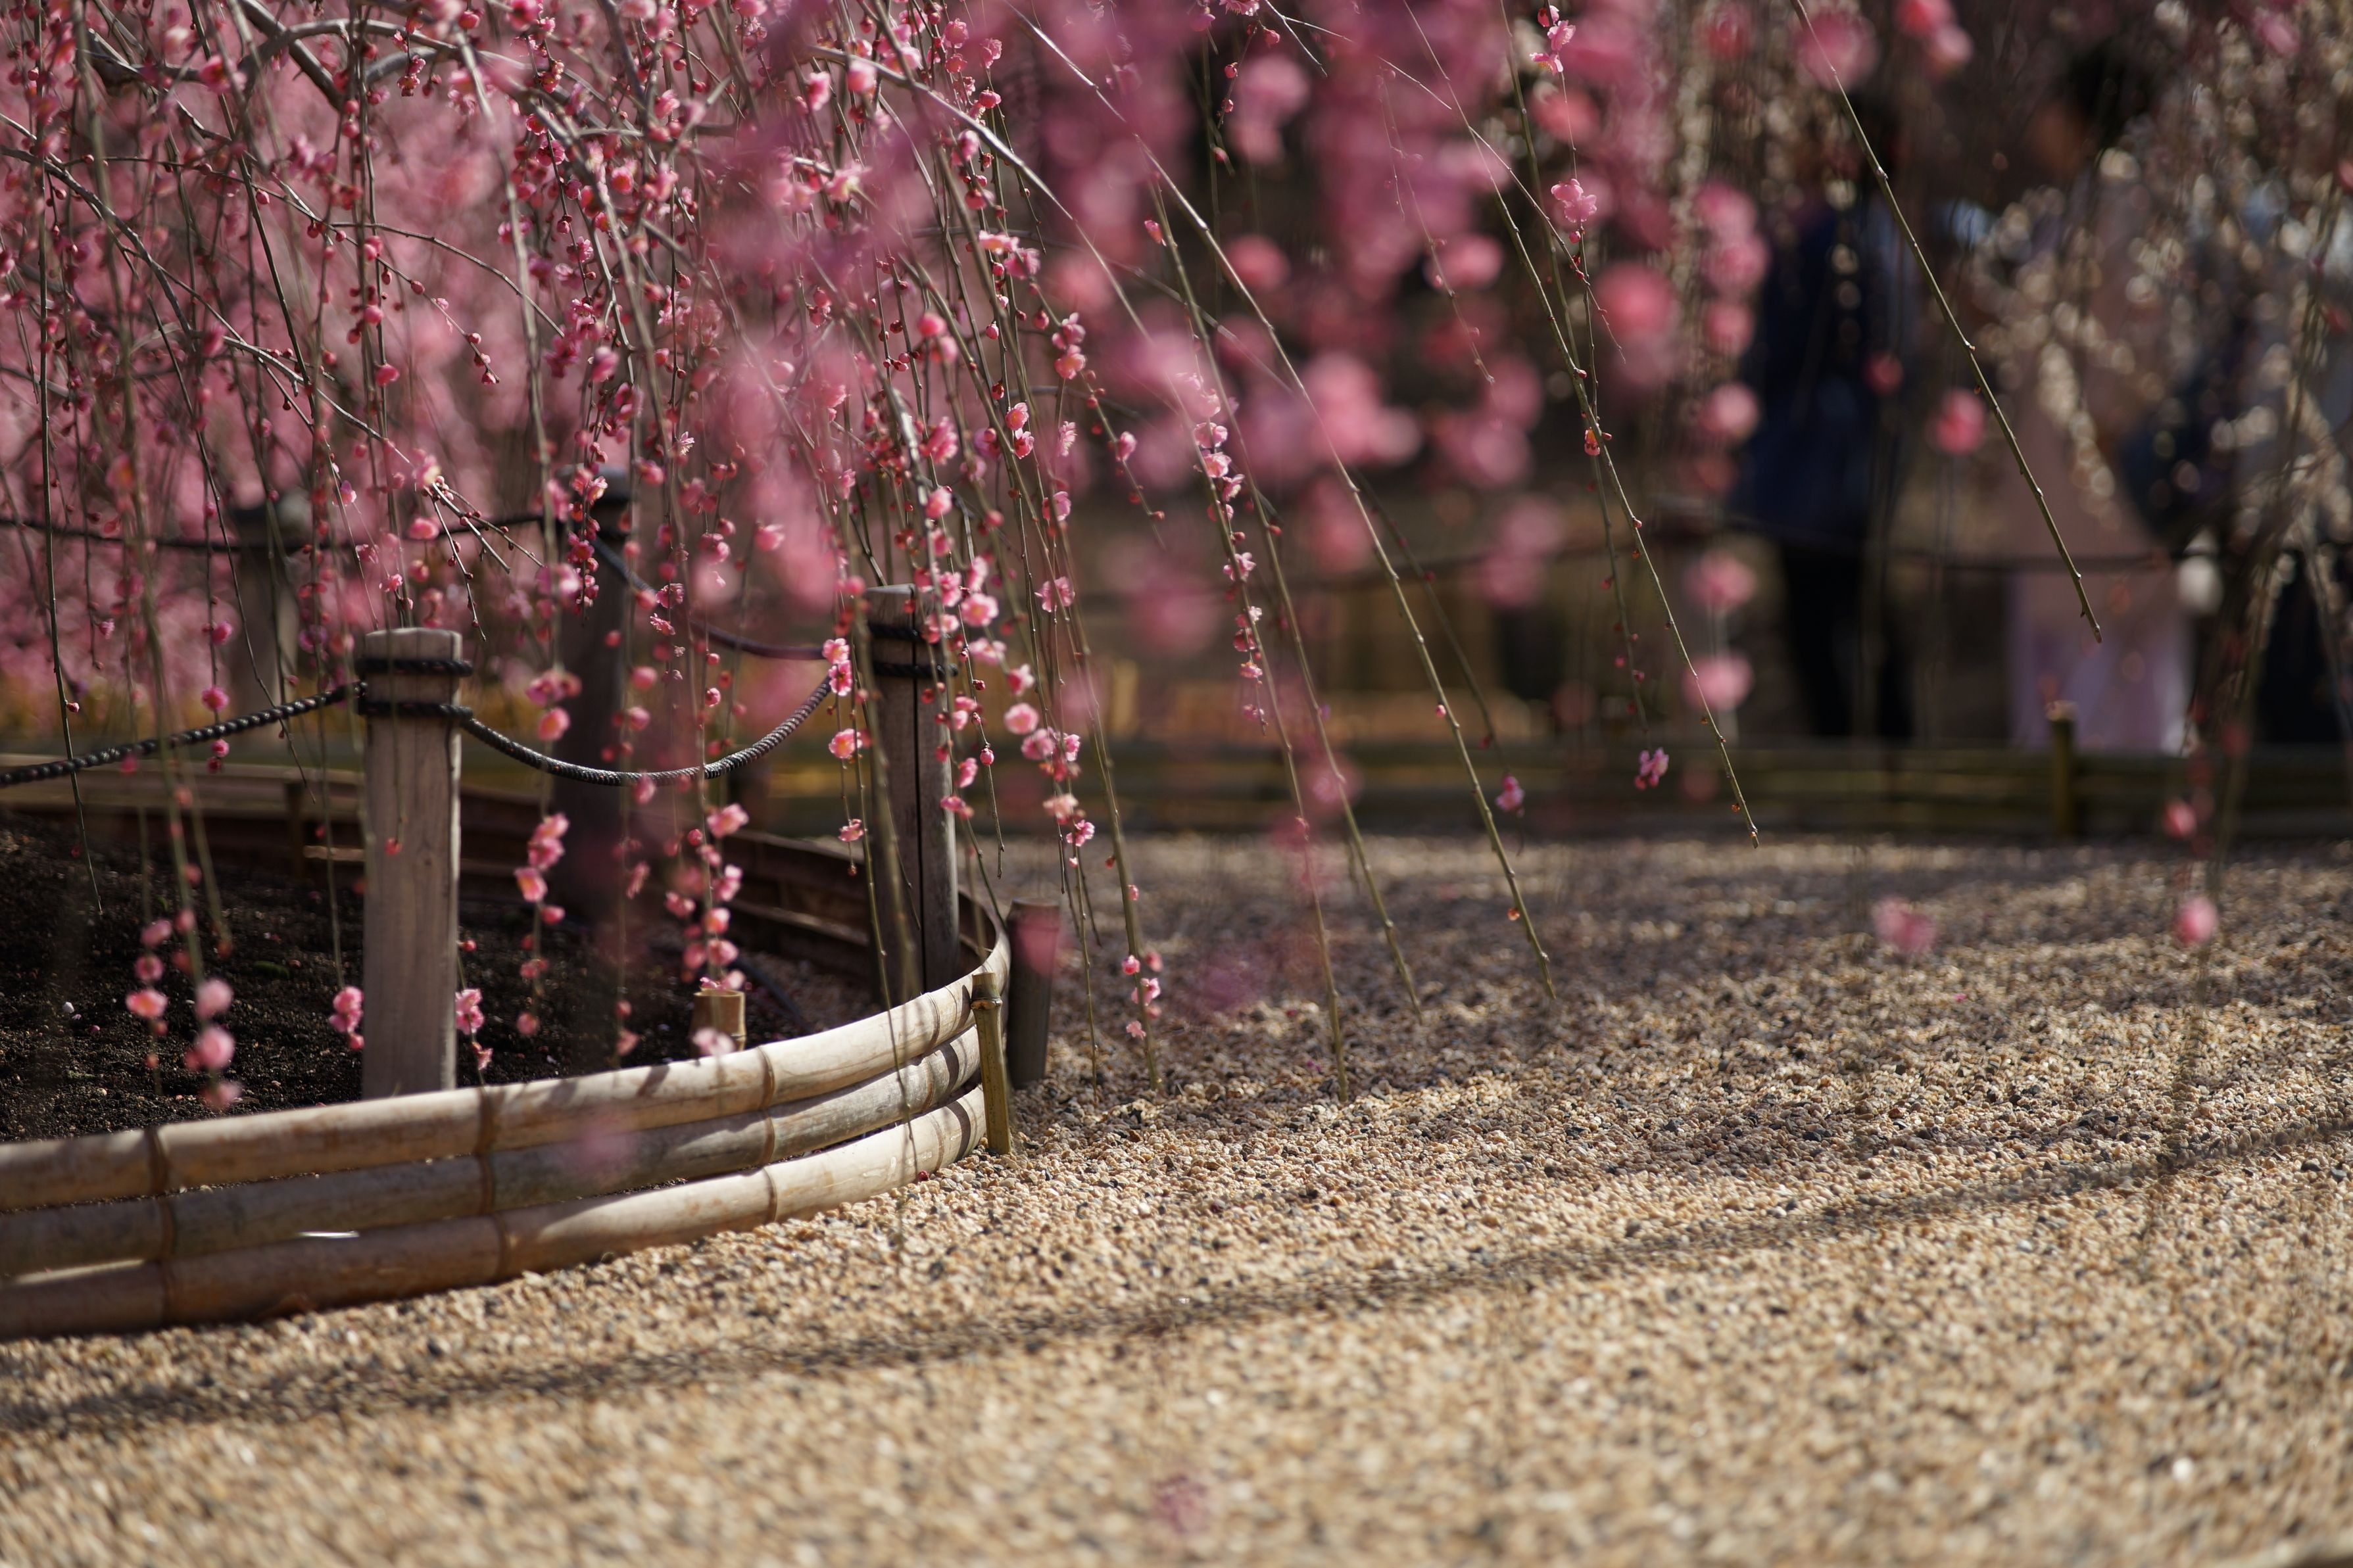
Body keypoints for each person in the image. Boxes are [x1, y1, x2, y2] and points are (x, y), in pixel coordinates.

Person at [1975, 44, 2193, 753]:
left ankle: (2109, 786)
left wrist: (2106, 421)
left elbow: (2149, 336)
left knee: (2105, 636)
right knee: (2083, 634)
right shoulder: (2090, 201)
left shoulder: (2120, 200)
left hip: (2099, 469)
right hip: (2071, 466)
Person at [1735, 99, 1914, 739]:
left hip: (1817, 451)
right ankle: (1879, 746)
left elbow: (1784, 349)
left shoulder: (1834, 237)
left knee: (1822, 617)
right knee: (1853, 610)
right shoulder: (1873, 230)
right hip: (1840, 450)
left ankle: (1851, 750)